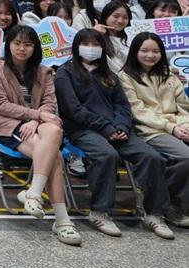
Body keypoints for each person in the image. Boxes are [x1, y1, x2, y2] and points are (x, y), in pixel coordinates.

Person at [54, 28, 174, 240]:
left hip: (117, 130)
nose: (91, 49)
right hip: (83, 130)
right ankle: (99, 212)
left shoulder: (108, 74)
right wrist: (106, 128)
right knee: (106, 155)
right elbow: (73, 110)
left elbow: (123, 106)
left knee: (151, 156)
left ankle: (154, 213)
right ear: (76, 47)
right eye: (86, 44)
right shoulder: (65, 73)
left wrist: (121, 127)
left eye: (96, 44)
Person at [0, 25, 78, 244]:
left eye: (27, 44)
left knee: (54, 129)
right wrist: (36, 115)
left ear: (35, 48)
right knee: (55, 156)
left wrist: (36, 119)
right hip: (9, 124)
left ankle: (34, 193)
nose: (22, 48)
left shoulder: (44, 72)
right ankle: (62, 220)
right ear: (8, 45)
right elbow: (0, 105)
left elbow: (49, 103)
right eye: (17, 43)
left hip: (37, 123)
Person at [121, 32, 189, 229]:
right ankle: (174, 207)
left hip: (178, 126)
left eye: (155, 51)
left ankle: (167, 199)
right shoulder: (125, 77)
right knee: (186, 157)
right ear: (135, 52)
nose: (150, 55)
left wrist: (184, 126)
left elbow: (183, 106)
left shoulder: (170, 76)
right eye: (144, 51)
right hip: (149, 130)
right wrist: (171, 128)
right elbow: (138, 111)